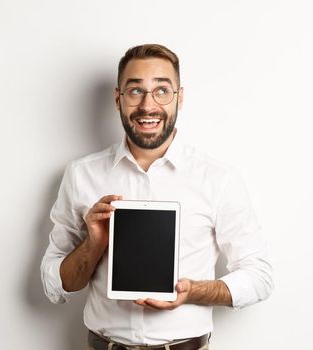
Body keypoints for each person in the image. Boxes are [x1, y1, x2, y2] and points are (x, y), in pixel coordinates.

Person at [40, 44, 273, 350]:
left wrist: (193, 291)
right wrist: (93, 244)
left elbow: (260, 276)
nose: (148, 106)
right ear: (117, 98)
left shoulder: (218, 178)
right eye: (135, 91)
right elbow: (55, 286)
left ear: (180, 97)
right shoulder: (81, 175)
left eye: (162, 91)